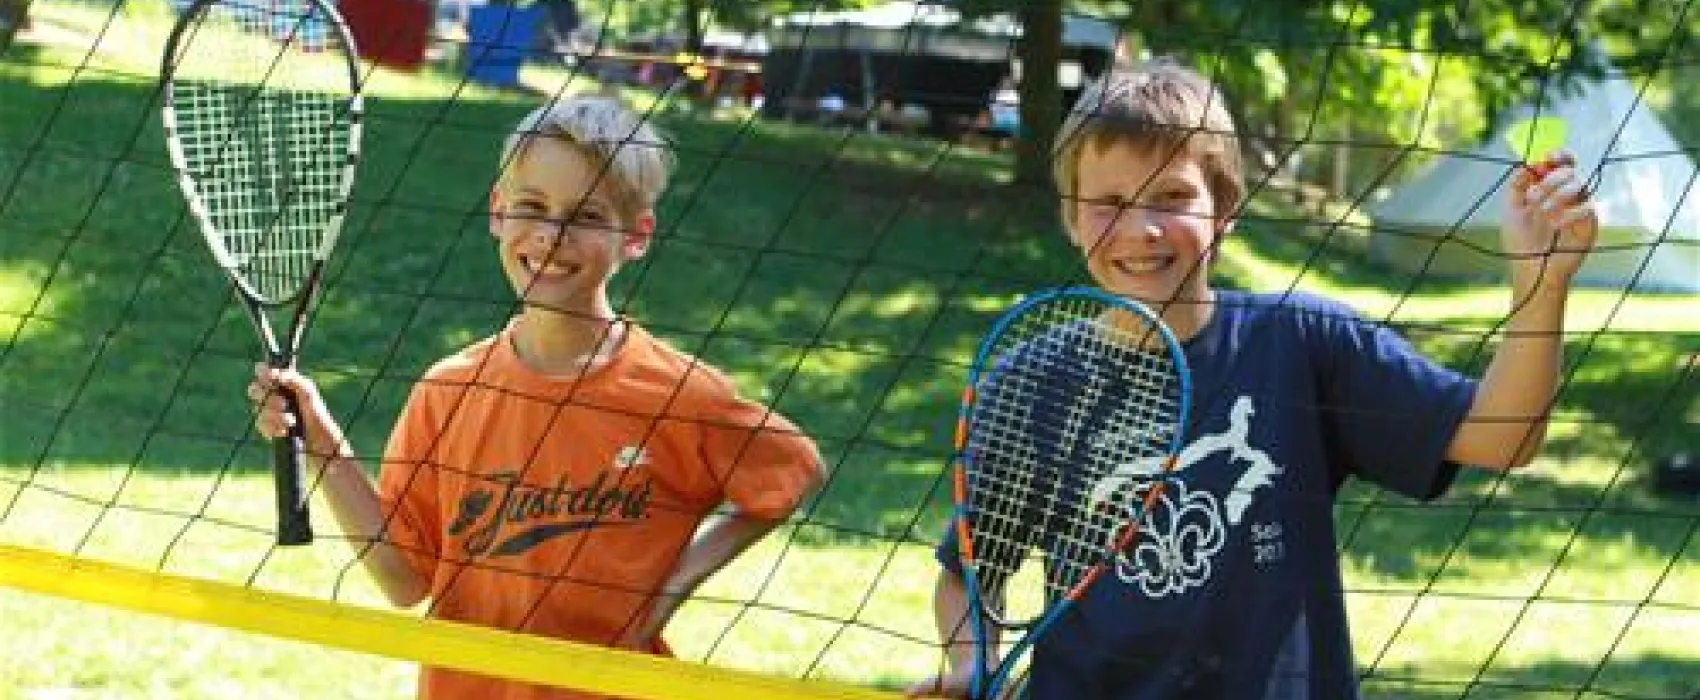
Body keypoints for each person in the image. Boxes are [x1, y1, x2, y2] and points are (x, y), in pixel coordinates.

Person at [907, 58, 1597, 699]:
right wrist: (971, 661)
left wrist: (1540, 281)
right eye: (1110, 202)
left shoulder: (1303, 343)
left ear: (1225, 207)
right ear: (1069, 216)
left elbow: (1503, 439)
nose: (1141, 229)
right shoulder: (1030, 377)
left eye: (1172, 195)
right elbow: (970, 570)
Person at [249, 95, 825, 700]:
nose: (552, 236)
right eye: (532, 207)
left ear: (636, 235)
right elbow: (403, 579)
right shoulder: (449, 391)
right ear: (498, 211)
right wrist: (319, 440)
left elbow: (795, 470)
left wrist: (669, 588)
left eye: (586, 216)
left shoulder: (679, 394)